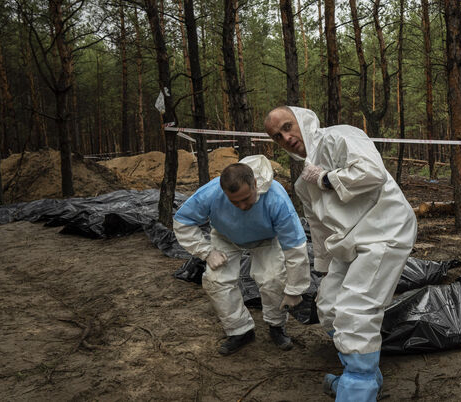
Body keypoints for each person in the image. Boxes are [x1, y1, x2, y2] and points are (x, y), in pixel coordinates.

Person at [264, 106, 417, 401]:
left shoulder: (340, 137)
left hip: (385, 229)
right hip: (349, 243)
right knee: (330, 307)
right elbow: (319, 227)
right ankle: (364, 374)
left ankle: (357, 388)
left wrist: (326, 178)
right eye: (277, 136)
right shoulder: (303, 183)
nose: (286, 137)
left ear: (302, 119)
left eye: (287, 126)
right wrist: (323, 267)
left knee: (356, 310)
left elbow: (372, 173)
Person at [172, 155, 310, 355]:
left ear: (255, 184)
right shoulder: (211, 192)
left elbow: (295, 246)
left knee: (273, 279)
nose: (243, 206)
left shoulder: (276, 197)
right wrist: (206, 252)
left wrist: (295, 289)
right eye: (234, 202)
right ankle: (240, 330)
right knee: (216, 280)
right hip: (226, 236)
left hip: (266, 238)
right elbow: (182, 221)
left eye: (246, 199)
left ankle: (276, 325)